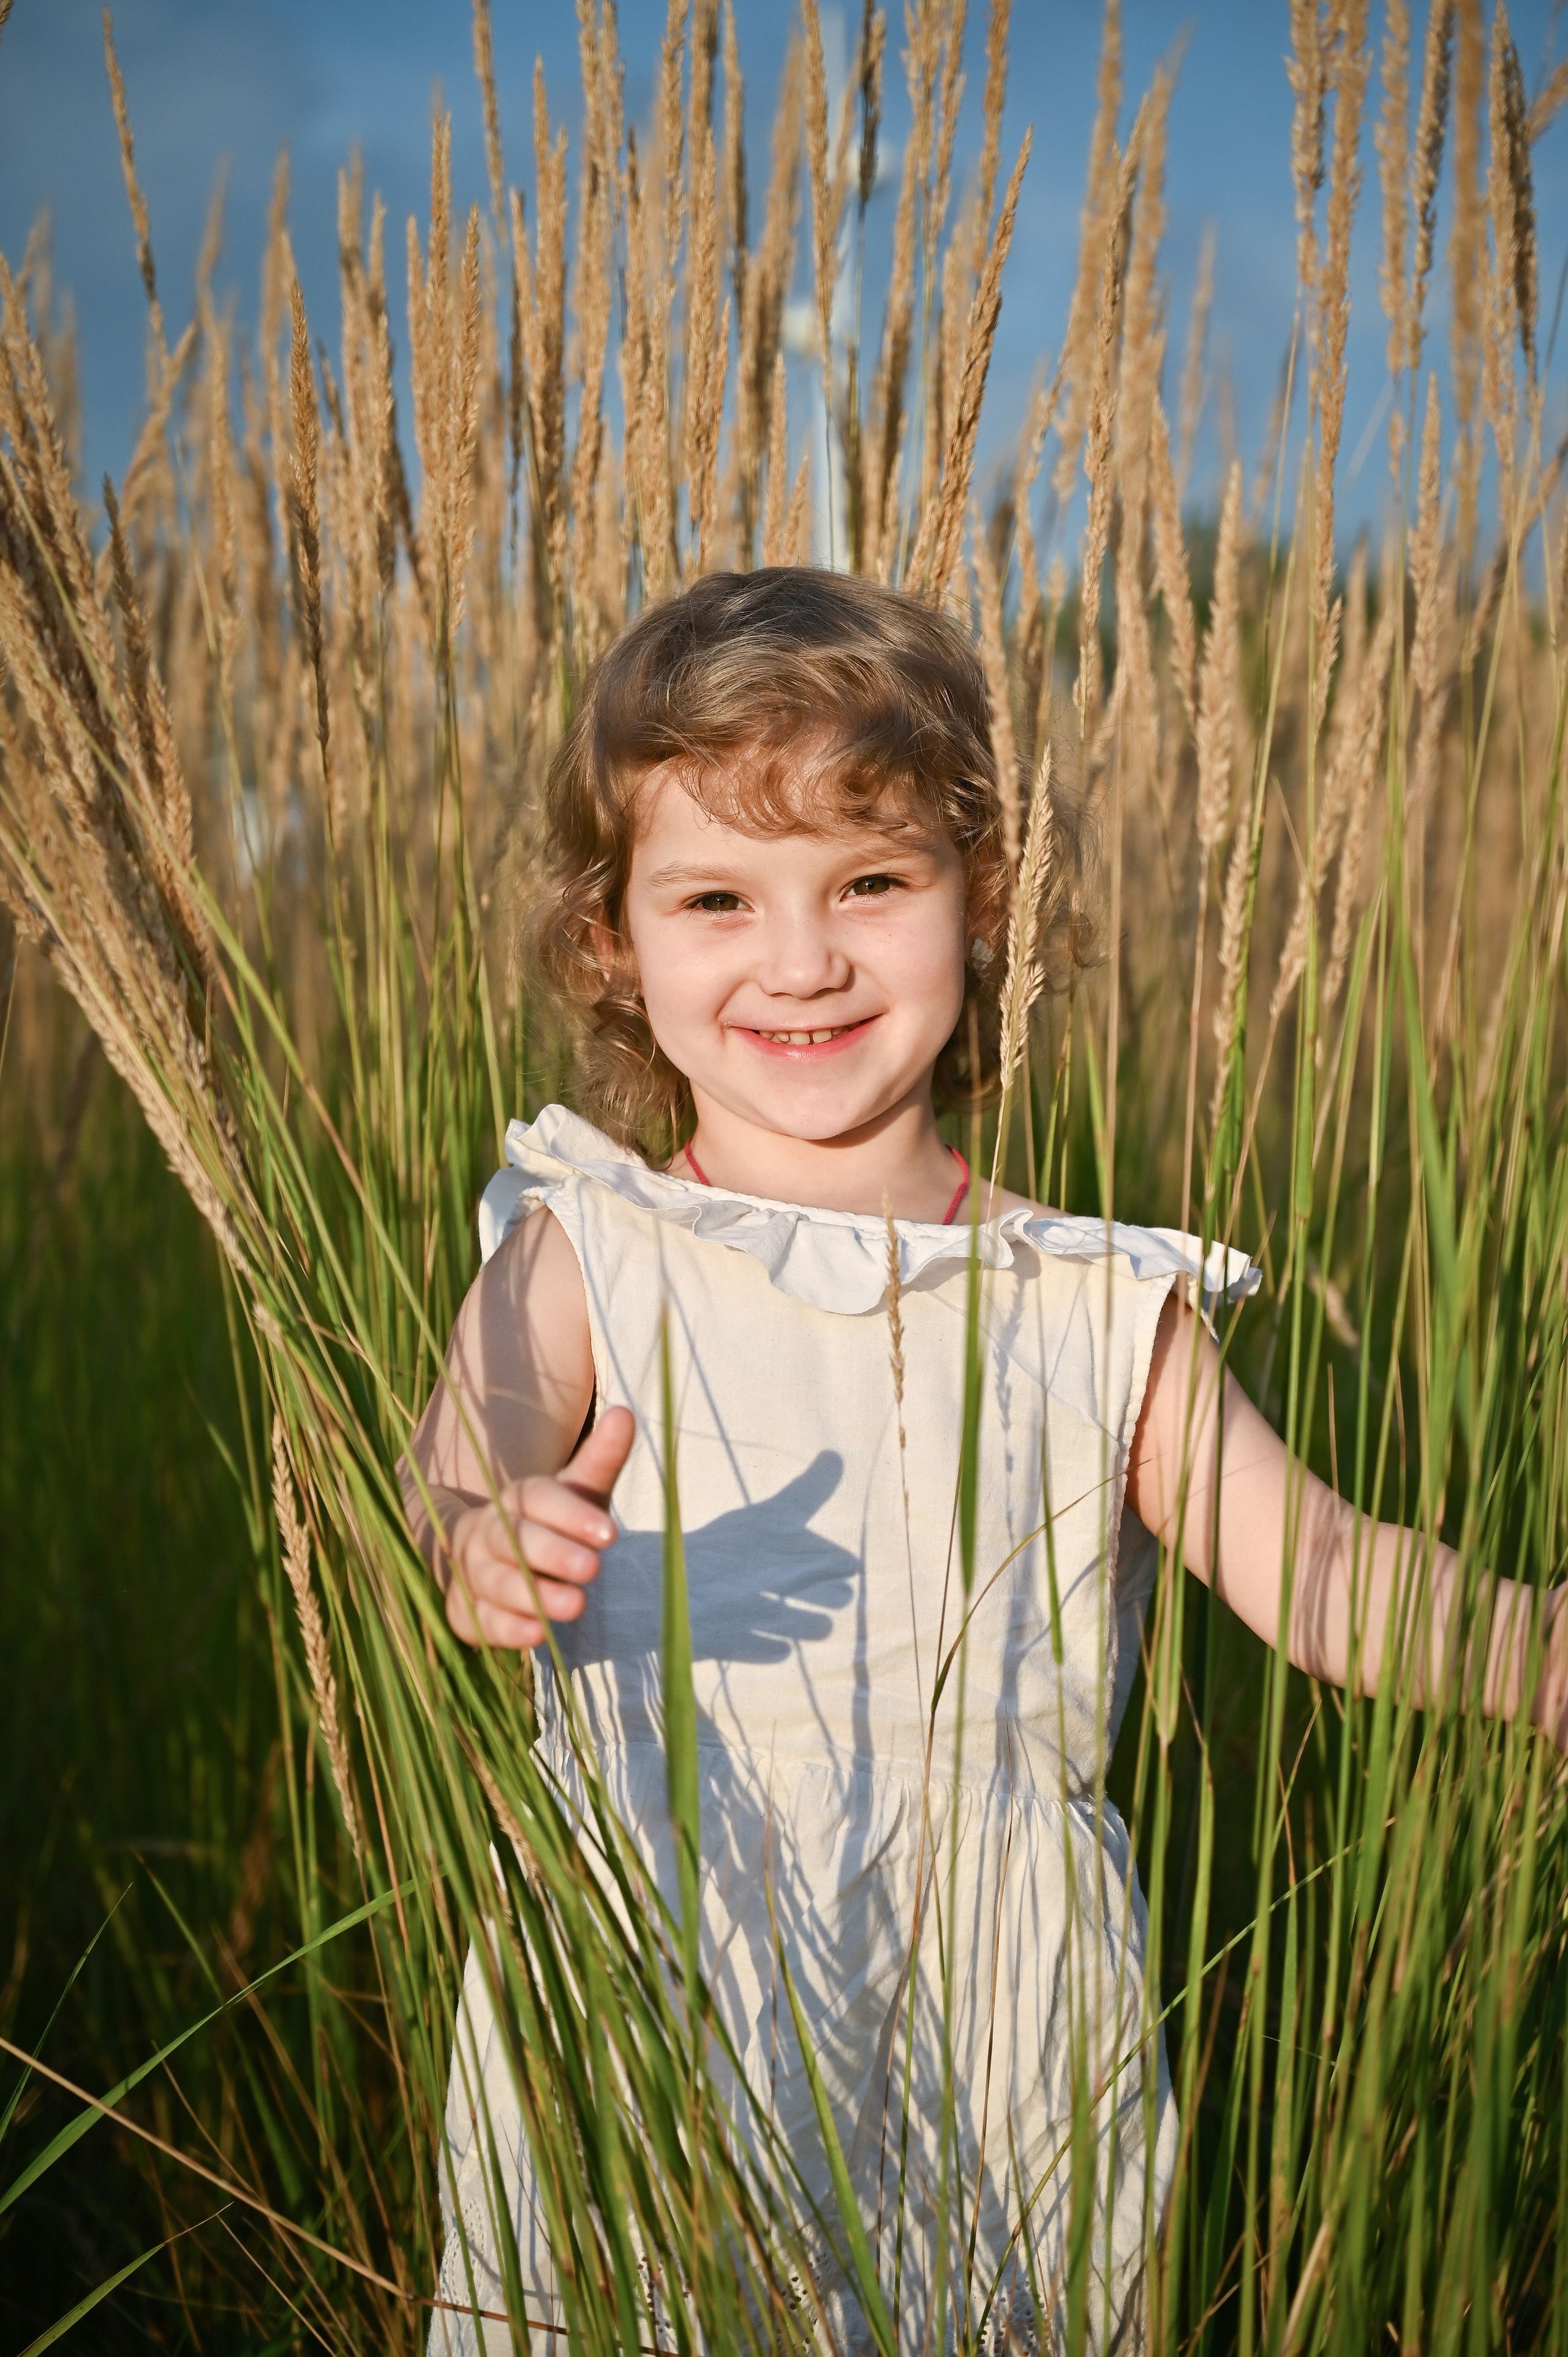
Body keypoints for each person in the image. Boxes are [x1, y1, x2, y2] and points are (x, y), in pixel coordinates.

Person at [404, 568, 1565, 2355]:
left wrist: (1529, 1646)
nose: (802, 960)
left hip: (1001, 1998)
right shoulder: (594, 1244)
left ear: (986, 901)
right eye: (718, 899)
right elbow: (458, 1448)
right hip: (659, 1956)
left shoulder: (1089, 1303)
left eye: (872, 883)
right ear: (613, 941)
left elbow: (1324, 1568)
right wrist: (490, 1530)